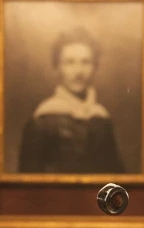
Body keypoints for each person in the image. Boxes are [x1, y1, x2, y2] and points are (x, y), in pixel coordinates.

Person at [17, 28, 124, 174]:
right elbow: (27, 182)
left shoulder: (101, 118)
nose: (78, 71)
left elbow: (117, 179)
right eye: (69, 62)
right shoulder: (42, 120)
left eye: (86, 62)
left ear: (95, 67)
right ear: (57, 67)